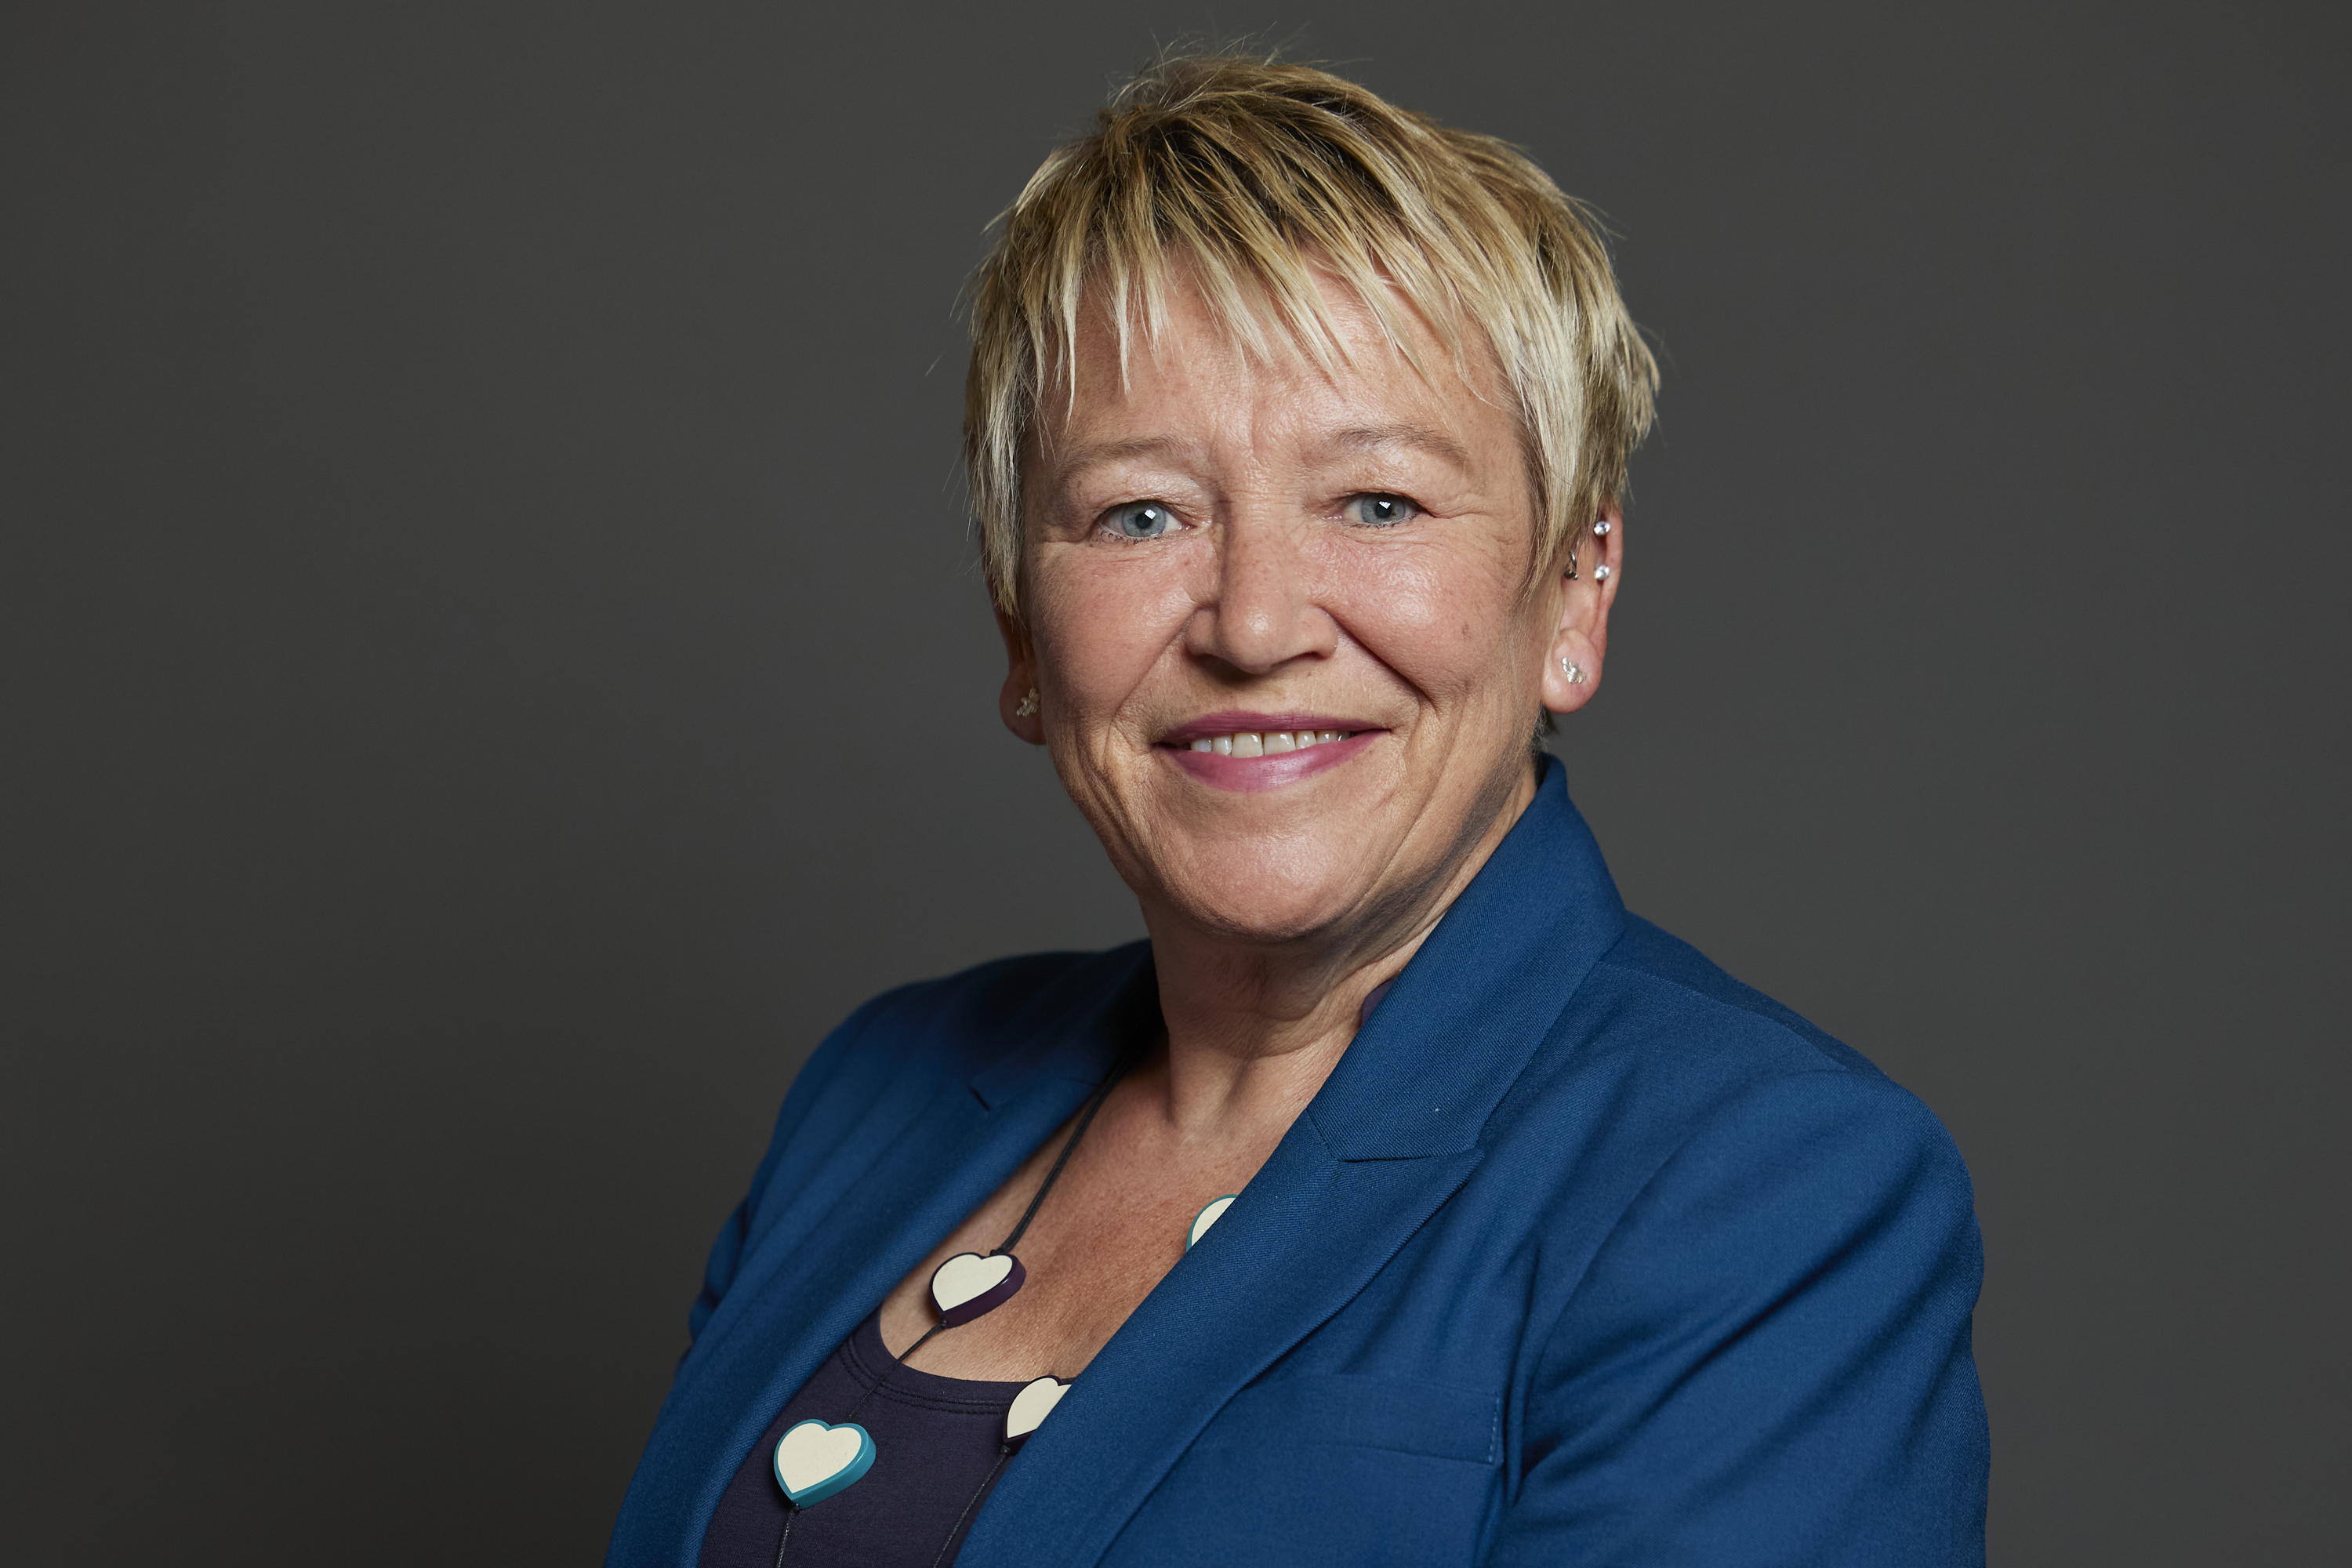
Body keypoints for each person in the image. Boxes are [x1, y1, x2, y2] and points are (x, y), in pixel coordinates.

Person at [608, 52, 1987, 1568]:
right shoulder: (876, 1094)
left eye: (1378, 502)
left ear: (1572, 593)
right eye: (1140, 513)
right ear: (1022, 630)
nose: (1254, 625)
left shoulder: (1765, 1187)